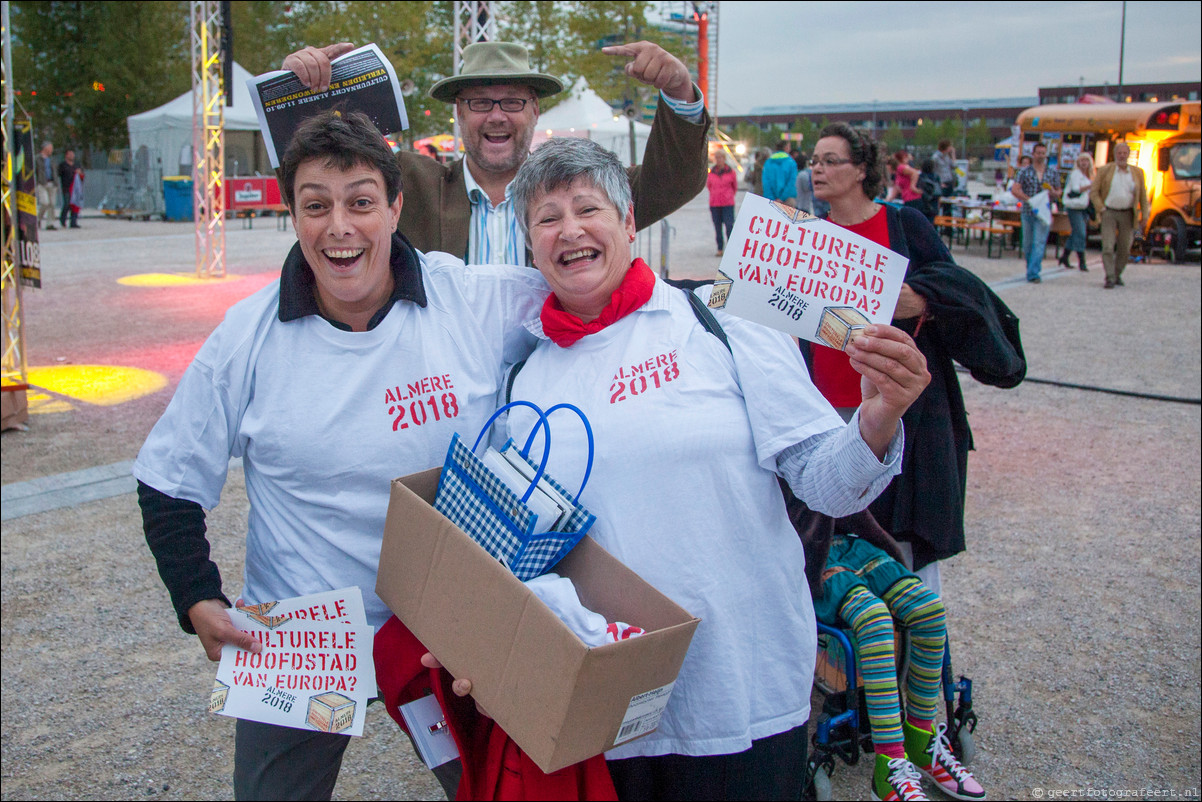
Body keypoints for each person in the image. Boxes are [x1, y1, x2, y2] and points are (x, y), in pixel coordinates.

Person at [446, 135, 928, 801]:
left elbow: (825, 482)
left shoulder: (719, 320)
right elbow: (519, 557)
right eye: (547, 217)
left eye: (588, 208)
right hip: (604, 716)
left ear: (629, 224)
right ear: (530, 243)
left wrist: (876, 420)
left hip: (739, 695)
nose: (570, 230)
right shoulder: (522, 377)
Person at [134, 111, 550, 801]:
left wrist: (716, 317)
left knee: (503, 790)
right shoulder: (248, 334)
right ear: (291, 214)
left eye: (360, 202)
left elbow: (591, 300)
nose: (340, 227)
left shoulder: (469, 300)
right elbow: (169, 477)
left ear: (395, 206)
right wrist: (197, 596)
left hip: (449, 620)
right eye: (316, 206)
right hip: (303, 631)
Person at [807, 121, 1025, 592]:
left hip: (902, 411)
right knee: (828, 542)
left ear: (862, 169)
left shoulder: (903, 224)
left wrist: (923, 298)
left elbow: (958, 287)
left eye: (830, 160)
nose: (817, 170)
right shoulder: (806, 238)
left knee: (902, 548)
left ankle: (919, 653)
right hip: (823, 409)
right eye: (814, 161)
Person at [283, 40, 710, 265]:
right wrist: (299, 93)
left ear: (535, 109)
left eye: (512, 102)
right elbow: (314, 166)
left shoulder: (581, 193)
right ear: (459, 113)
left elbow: (674, 180)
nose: (496, 116)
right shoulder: (410, 184)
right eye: (480, 103)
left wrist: (678, 92)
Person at [810, 516, 986, 802]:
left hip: (853, 542)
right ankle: (887, 768)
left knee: (929, 610)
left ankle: (920, 736)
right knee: (874, 619)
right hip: (809, 551)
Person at [1089, 142, 1149, 289]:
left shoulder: (1137, 173)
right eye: (1119, 153)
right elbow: (1094, 191)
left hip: (1128, 213)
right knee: (1108, 246)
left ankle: (1117, 274)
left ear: (1129, 154)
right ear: (1115, 154)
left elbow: (1143, 196)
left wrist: (1145, 215)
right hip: (1109, 211)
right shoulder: (1105, 170)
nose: (1122, 156)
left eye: (1124, 153)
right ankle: (1109, 277)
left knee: (1125, 247)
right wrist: (1101, 208)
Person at [1009, 142, 1062, 284]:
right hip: (1028, 211)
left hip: (1044, 212)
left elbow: (1058, 192)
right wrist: (1028, 199)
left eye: (1043, 153)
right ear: (1033, 154)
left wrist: (1052, 192)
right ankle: (1031, 267)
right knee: (1027, 243)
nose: (1040, 156)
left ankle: (1033, 273)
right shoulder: (1024, 172)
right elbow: (1015, 189)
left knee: (1039, 243)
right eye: (1038, 153)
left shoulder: (1052, 173)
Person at [1060, 152, 1095, 272]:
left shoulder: (1088, 175)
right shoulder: (1075, 174)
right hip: (1074, 206)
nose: (1084, 163)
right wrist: (1090, 186)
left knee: (1075, 232)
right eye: (1082, 161)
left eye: (1086, 161)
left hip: (1083, 207)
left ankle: (1065, 256)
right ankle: (1082, 261)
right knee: (1081, 233)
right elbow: (1076, 189)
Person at [706, 149, 738, 255]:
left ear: (724, 159)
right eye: (717, 158)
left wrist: (728, 195)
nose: (718, 160)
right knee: (717, 227)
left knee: (729, 226)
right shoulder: (711, 172)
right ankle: (720, 248)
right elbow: (709, 186)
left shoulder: (731, 172)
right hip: (715, 203)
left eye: (720, 158)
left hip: (727, 203)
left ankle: (731, 248)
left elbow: (735, 187)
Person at [761, 139, 799, 205]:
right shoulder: (791, 162)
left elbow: (766, 183)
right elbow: (792, 182)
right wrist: (782, 198)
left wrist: (771, 198)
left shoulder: (768, 163)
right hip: (787, 200)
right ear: (786, 147)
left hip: (770, 201)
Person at [888, 151, 924, 216]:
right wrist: (889, 199)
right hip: (907, 198)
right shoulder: (900, 169)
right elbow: (897, 187)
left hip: (912, 198)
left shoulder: (901, 167)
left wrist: (912, 186)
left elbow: (915, 173)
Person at [36, 142, 59, 230]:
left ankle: (50, 223)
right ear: (45, 148)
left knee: (52, 204)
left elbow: (55, 170)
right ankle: (38, 218)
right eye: (51, 148)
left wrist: (56, 182)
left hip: (52, 183)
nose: (52, 150)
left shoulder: (52, 159)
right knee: (45, 202)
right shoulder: (37, 159)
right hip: (42, 183)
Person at [58, 148, 81, 229]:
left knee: (75, 205)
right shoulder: (63, 165)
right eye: (70, 154)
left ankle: (73, 222)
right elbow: (59, 174)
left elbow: (81, 175)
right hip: (67, 187)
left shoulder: (76, 165)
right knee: (67, 204)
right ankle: (63, 219)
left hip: (75, 188)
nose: (72, 156)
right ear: (66, 155)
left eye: (73, 154)